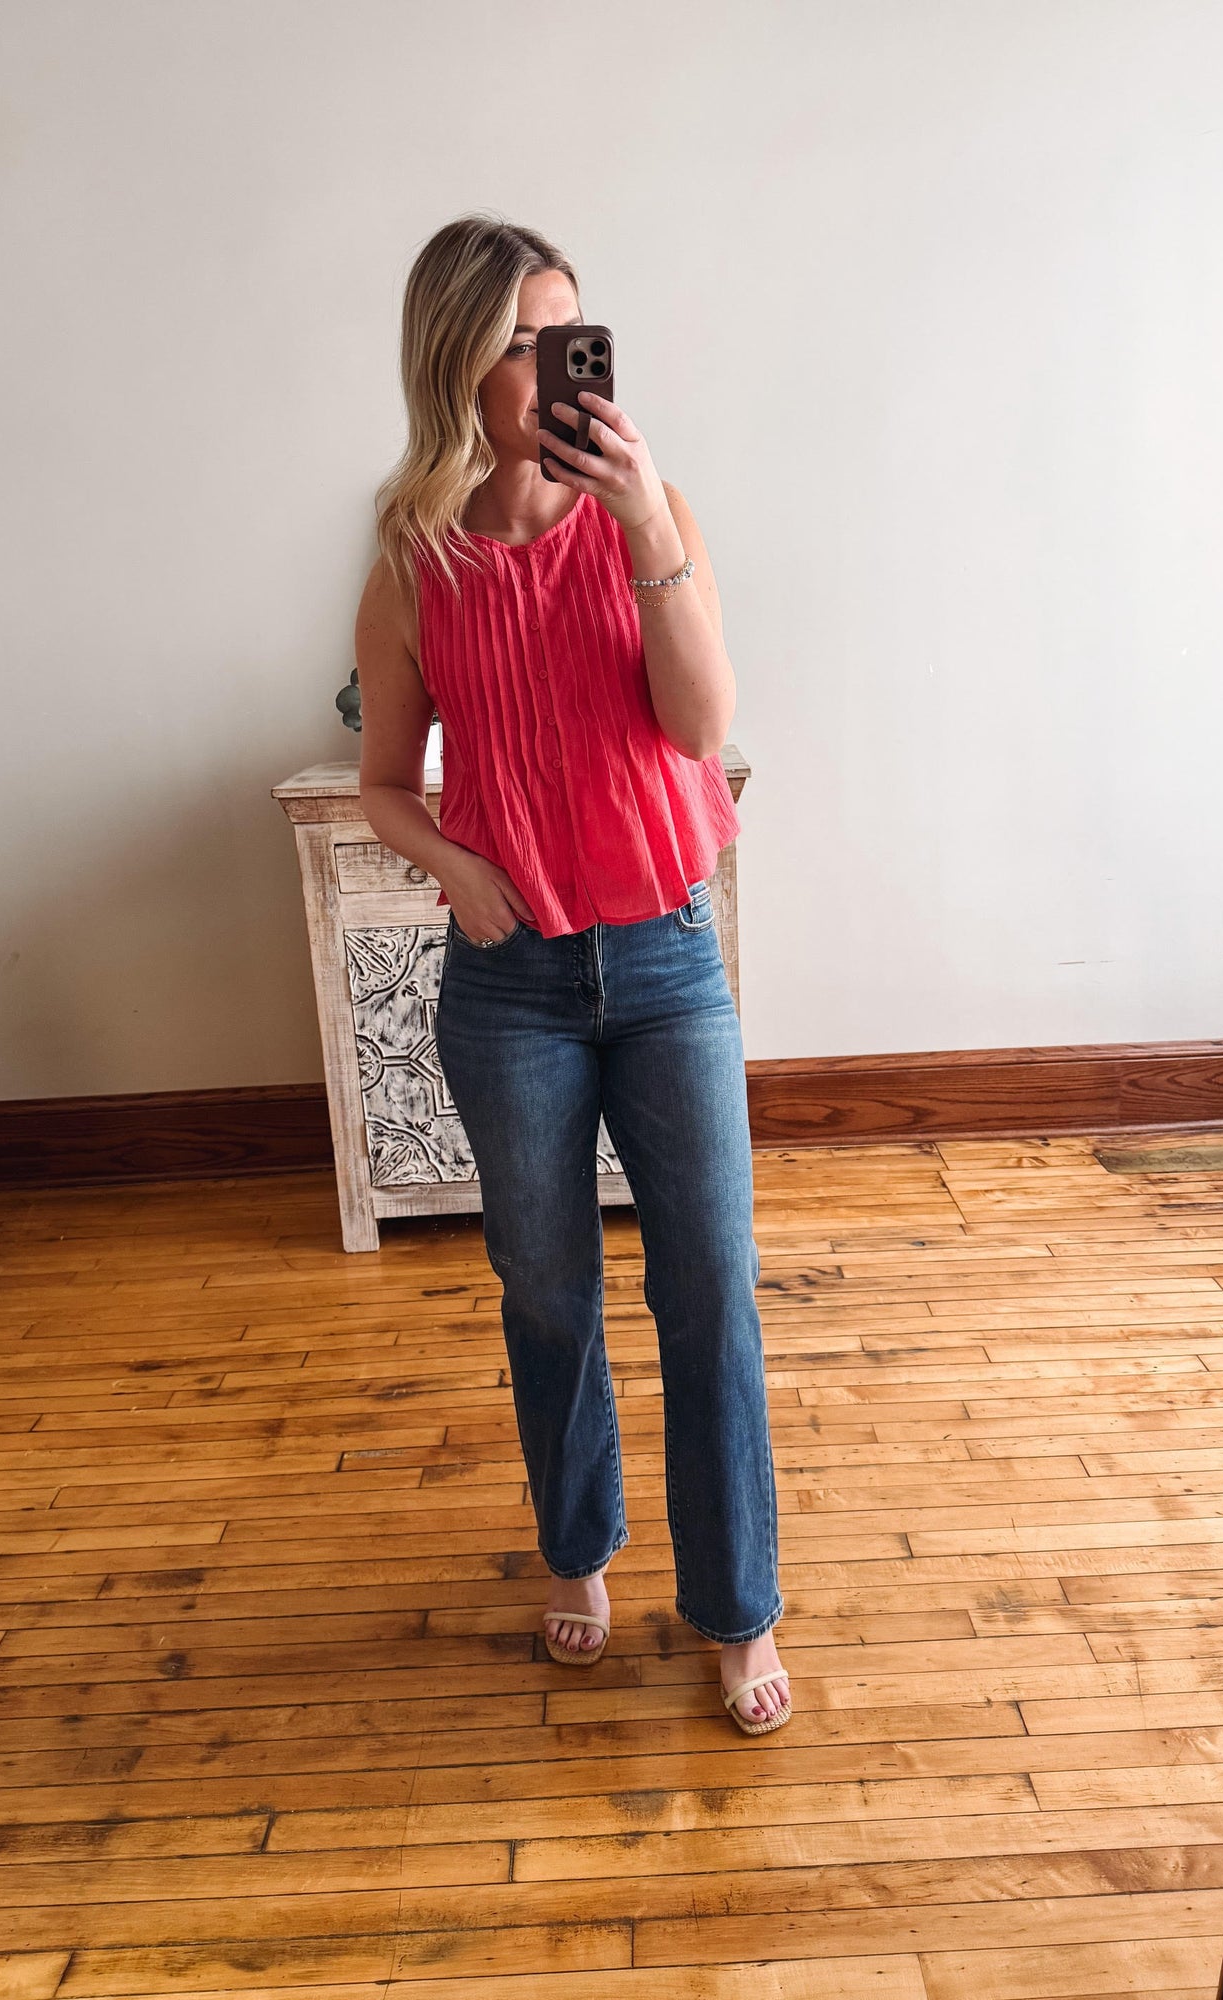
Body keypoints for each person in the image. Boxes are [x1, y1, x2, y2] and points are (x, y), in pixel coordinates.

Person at [353, 214, 790, 1735]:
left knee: (709, 1288)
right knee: (546, 1289)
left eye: (570, 336)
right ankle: (578, 1547)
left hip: (665, 958)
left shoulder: (647, 511)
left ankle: (736, 1606)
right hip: (512, 985)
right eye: (522, 342)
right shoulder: (415, 564)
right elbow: (385, 784)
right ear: (457, 364)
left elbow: (700, 725)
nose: (556, 368)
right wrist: (458, 869)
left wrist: (649, 526)